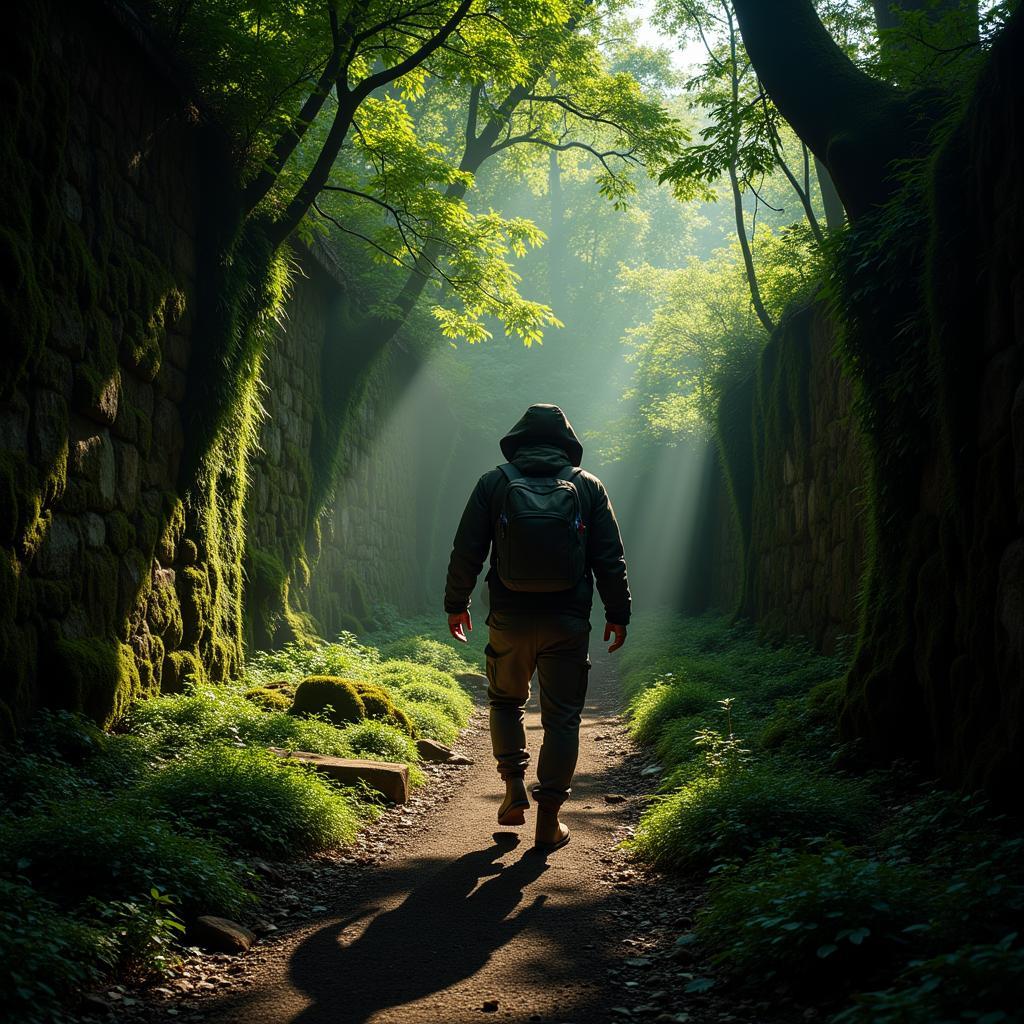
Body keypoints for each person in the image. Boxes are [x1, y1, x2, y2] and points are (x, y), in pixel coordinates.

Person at [443, 404, 631, 852]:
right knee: (563, 718)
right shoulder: (587, 486)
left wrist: (457, 604)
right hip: (568, 619)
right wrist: (618, 613)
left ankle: (512, 787)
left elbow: (467, 549)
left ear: (518, 441)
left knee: (505, 701)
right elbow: (609, 558)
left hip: (508, 616)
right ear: (567, 443)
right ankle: (549, 820)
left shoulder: (494, 483)